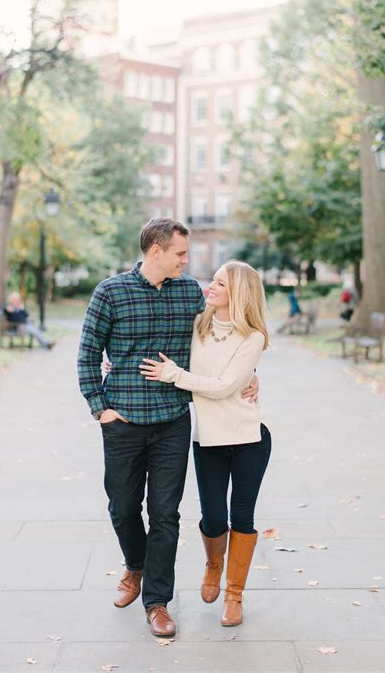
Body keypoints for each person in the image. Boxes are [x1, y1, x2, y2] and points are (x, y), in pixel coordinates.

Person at [77, 219, 258, 638]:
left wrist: (251, 372)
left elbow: (226, 337)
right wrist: (100, 409)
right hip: (122, 420)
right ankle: (135, 567)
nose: (186, 260)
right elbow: (87, 356)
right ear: (155, 251)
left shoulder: (192, 292)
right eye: (180, 253)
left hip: (173, 420)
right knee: (123, 508)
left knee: (165, 515)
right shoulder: (110, 292)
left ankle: (157, 602)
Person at [139, 260, 271, 627]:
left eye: (219, 284)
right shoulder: (198, 324)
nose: (209, 287)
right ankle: (214, 564)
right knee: (214, 518)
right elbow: (160, 346)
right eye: (212, 281)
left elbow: (226, 385)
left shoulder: (253, 337)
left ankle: (234, 595)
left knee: (242, 517)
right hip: (209, 438)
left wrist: (176, 375)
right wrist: (117, 365)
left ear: (239, 294)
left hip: (249, 437)